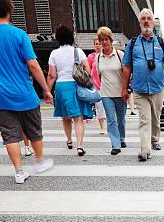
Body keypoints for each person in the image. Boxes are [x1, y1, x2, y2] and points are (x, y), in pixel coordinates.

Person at [0, 0, 54, 184]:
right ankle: (39, 161)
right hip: (24, 93)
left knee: (10, 136)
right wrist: (46, 89)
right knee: (34, 130)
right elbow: (33, 64)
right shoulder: (19, 35)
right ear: (10, 9)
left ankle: (19, 172)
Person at [121, 8, 164, 162]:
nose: (146, 21)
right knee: (144, 119)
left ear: (153, 22)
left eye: (149, 18)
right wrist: (124, 88)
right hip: (139, 89)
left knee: (156, 118)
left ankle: (154, 140)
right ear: (140, 23)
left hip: (158, 88)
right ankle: (145, 150)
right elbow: (126, 68)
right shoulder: (133, 44)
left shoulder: (161, 42)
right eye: (143, 19)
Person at [47, 25, 93, 156]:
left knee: (65, 117)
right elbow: (87, 69)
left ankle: (69, 140)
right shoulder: (78, 52)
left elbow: (51, 75)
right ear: (71, 37)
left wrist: (47, 91)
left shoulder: (54, 53)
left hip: (61, 86)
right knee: (78, 118)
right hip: (75, 86)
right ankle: (79, 146)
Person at [96, 26, 127, 155]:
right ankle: (115, 144)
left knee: (121, 118)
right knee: (111, 119)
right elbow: (99, 75)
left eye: (106, 39)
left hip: (120, 93)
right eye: (101, 40)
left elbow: (126, 74)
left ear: (110, 40)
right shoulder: (99, 57)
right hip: (106, 94)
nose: (104, 42)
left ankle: (121, 138)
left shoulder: (120, 55)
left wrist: (125, 89)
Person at [87, 36, 107, 135]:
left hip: (107, 85)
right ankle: (102, 127)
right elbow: (88, 70)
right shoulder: (91, 57)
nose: (98, 45)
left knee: (108, 106)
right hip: (96, 85)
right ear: (94, 45)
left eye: (99, 43)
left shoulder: (106, 55)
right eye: (96, 44)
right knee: (99, 107)